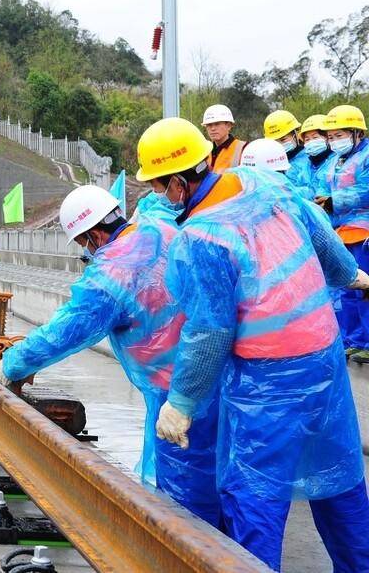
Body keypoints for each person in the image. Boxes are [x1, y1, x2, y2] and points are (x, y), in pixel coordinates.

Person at [137, 117, 369, 572]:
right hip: (324, 359)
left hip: (268, 381)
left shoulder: (201, 236)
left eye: (160, 186)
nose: (161, 195)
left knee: (254, 493)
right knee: (337, 476)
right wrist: (349, 274)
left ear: (179, 182)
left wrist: (181, 403)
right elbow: (318, 229)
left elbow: (210, 331)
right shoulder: (261, 182)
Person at [0, 185, 221, 527]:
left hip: (177, 392)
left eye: (83, 243)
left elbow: (65, 332)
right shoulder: (158, 226)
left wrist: (13, 363)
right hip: (217, 369)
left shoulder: (110, 276)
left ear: (94, 235)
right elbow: (157, 202)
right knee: (222, 483)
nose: (86, 252)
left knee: (184, 499)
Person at [316, 105, 369, 358]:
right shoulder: (335, 160)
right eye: (331, 136)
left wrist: (334, 200)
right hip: (341, 231)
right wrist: (321, 201)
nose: (335, 141)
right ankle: (354, 340)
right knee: (347, 287)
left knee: (365, 289)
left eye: (340, 135)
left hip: (363, 232)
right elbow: (322, 185)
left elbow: (366, 189)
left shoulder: (367, 156)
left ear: (357, 133)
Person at [262, 109, 309, 191]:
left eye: (283, 139)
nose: (279, 145)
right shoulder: (270, 162)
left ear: (295, 134)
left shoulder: (310, 159)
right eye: (275, 141)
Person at [299, 113, 334, 200]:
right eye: (307, 139)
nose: (311, 142)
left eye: (315, 137)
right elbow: (300, 185)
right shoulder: (308, 164)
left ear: (328, 137)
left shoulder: (335, 161)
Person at [201, 104, 245, 173]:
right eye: (209, 125)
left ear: (229, 126)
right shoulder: (205, 152)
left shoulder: (243, 149)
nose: (212, 128)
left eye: (217, 124)